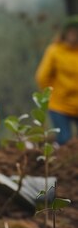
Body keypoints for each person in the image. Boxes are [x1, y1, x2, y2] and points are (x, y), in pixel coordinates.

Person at [36, 16, 78, 145]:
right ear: (65, 34)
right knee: (65, 140)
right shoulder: (54, 51)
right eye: (71, 32)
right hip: (59, 104)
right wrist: (51, 93)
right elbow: (42, 76)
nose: (74, 36)